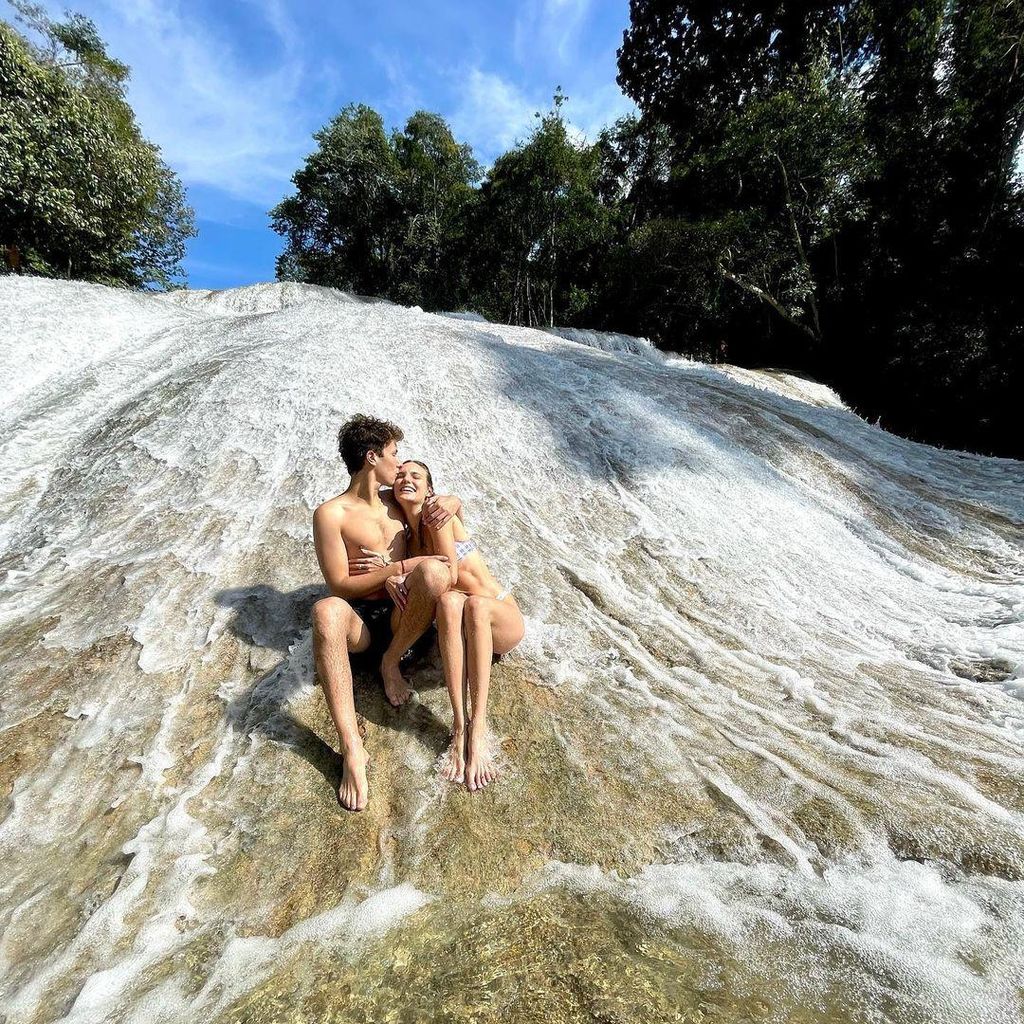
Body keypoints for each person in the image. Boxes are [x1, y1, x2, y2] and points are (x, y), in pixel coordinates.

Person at [311, 415, 461, 811]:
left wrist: (451, 500)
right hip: (361, 620)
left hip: (406, 619)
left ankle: (391, 662)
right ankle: (352, 749)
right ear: (372, 456)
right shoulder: (332, 514)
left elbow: (442, 506)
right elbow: (339, 585)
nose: (400, 464)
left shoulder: (398, 499)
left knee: (431, 572)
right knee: (325, 610)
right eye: (394, 454)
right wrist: (393, 569)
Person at [365, 459, 525, 793]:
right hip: (462, 620)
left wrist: (403, 573)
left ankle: (478, 728)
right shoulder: (409, 541)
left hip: (498, 617)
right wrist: (390, 573)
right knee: (451, 602)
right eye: (402, 475)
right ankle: (459, 726)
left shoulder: (436, 513)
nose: (407, 479)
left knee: (472, 603)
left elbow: (449, 573)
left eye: (417, 476)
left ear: (430, 489)